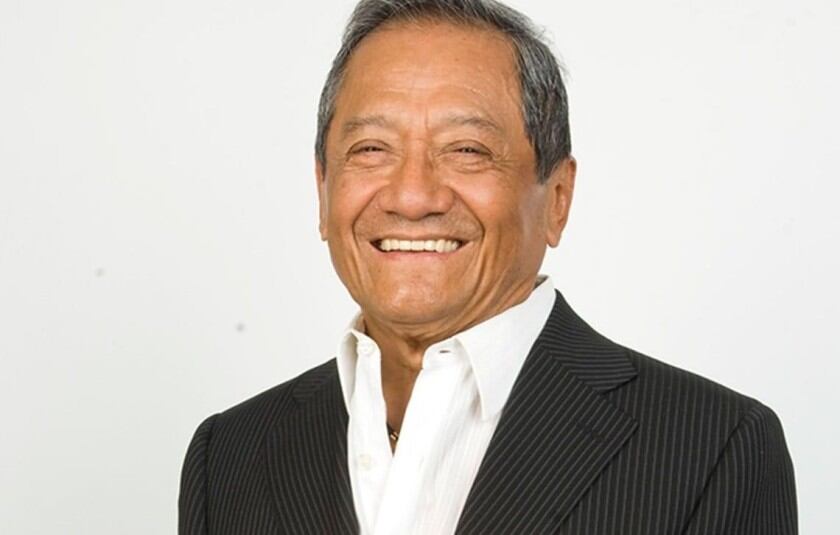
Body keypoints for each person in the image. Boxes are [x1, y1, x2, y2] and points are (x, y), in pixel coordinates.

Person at [178, 0, 797, 533]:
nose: (412, 196)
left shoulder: (713, 448)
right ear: (323, 191)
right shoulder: (228, 455)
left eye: (467, 150)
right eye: (371, 149)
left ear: (557, 198)